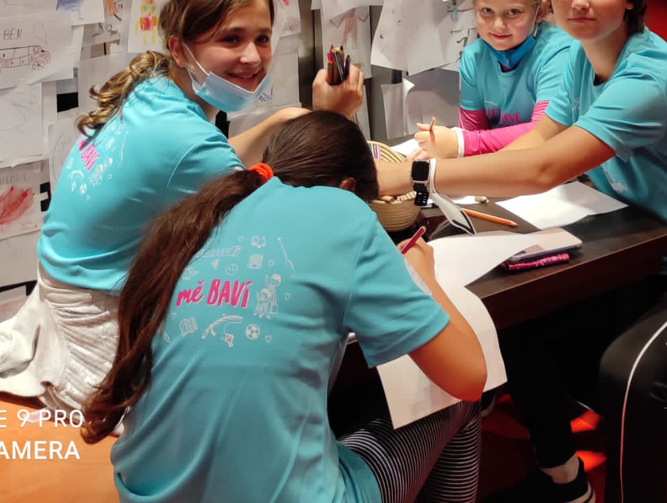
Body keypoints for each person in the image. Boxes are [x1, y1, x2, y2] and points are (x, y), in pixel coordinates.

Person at [383, 0, 667, 503]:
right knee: (515, 317)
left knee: (629, 375)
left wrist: (419, 173)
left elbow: (545, 168)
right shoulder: (578, 59)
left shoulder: (647, 77)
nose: (578, 1)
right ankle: (564, 480)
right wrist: (447, 190)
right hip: (641, 252)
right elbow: (537, 144)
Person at [0, 0, 364, 411]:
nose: (252, 57)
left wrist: (282, 121)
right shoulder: (189, 145)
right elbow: (282, 226)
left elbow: (201, 164)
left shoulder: (150, 88)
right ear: (179, 48)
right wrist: (334, 122)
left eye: (263, 38)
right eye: (231, 39)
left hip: (67, 294)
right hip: (95, 332)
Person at [82, 111, 487, 503]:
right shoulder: (342, 210)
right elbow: (468, 376)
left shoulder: (198, 215)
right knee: (461, 403)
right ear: (349, 188)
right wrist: (423, 275)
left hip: (143, 492)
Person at [412, 0, 575, 159]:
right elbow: (472, 133)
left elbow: (544, 134)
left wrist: (461, 144)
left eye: (513, 12)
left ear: (540, 11)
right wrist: (444, 151)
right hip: (499, 167)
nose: (498, 25)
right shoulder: (474, 57)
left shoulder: (559, 52)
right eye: (487, 11)